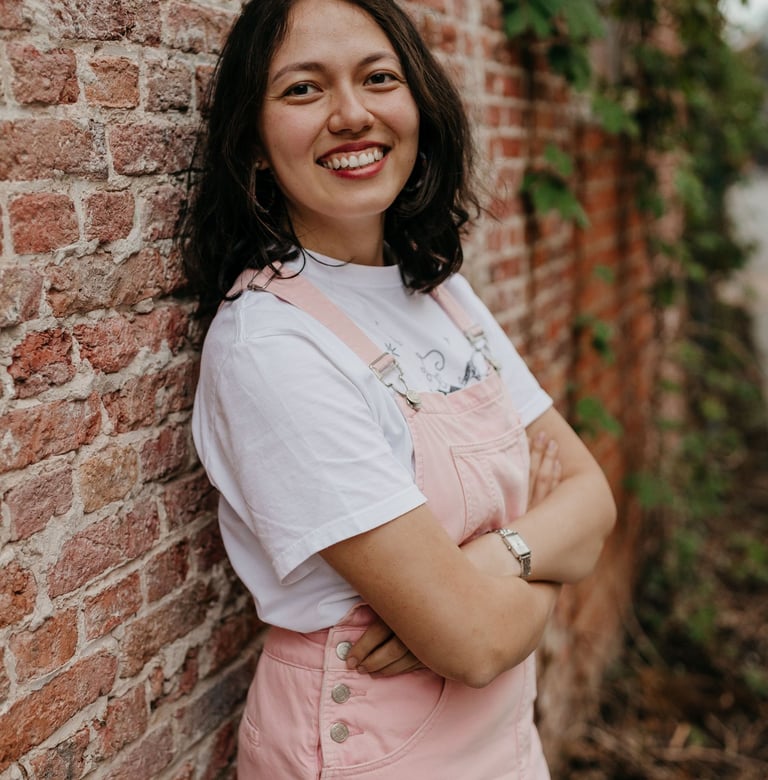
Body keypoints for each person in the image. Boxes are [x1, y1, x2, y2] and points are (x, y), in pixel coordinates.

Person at [181, 0, 617, 776]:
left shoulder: (442, 293)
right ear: (251, 141)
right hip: (371, 749)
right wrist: (547, 560)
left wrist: (487, 566)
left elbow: (593, 499)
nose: (352, 114)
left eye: (378, 78)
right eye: (303, 90)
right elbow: (475, 642)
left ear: (418, 102)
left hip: (505, 743)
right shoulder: (271, 347)